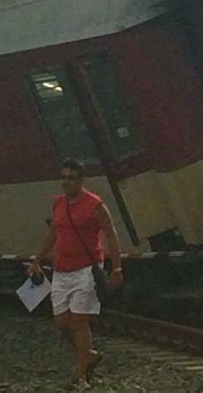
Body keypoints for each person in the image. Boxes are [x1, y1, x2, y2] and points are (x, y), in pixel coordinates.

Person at [27, 158, 124, 387]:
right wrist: (37, 258)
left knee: (79, 322)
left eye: (70, 178)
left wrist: (117, 267)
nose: (65, 182)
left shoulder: (95, 205)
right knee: (62, 322)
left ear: (81, 180)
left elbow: (111, 234)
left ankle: (80, 376)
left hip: (86, 271)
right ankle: (88, 355)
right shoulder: (59, 203)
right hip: (62, 270)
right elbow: (54, 233)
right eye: (63, 177)